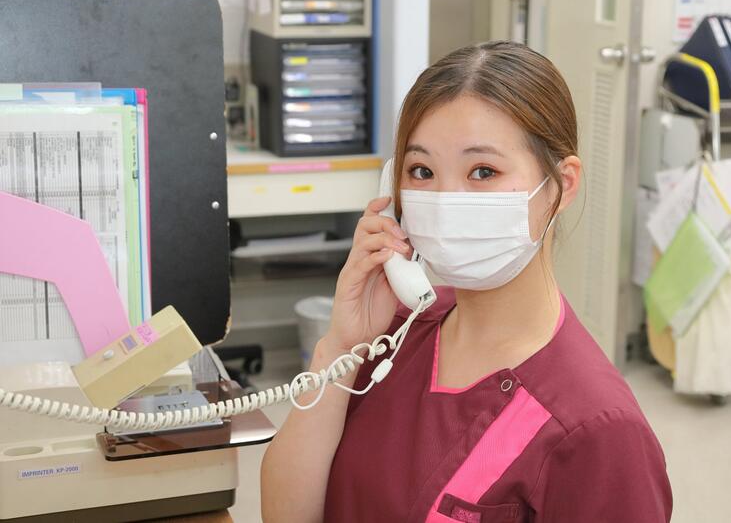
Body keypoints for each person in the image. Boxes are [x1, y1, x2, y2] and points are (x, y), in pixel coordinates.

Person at [261, 41, 672, 523]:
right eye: (422, 171)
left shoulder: (598, 429)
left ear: (562, 186)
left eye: (483, 171)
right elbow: (285, 516)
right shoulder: (391, 338)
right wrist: (340, 347)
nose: (445, 200)